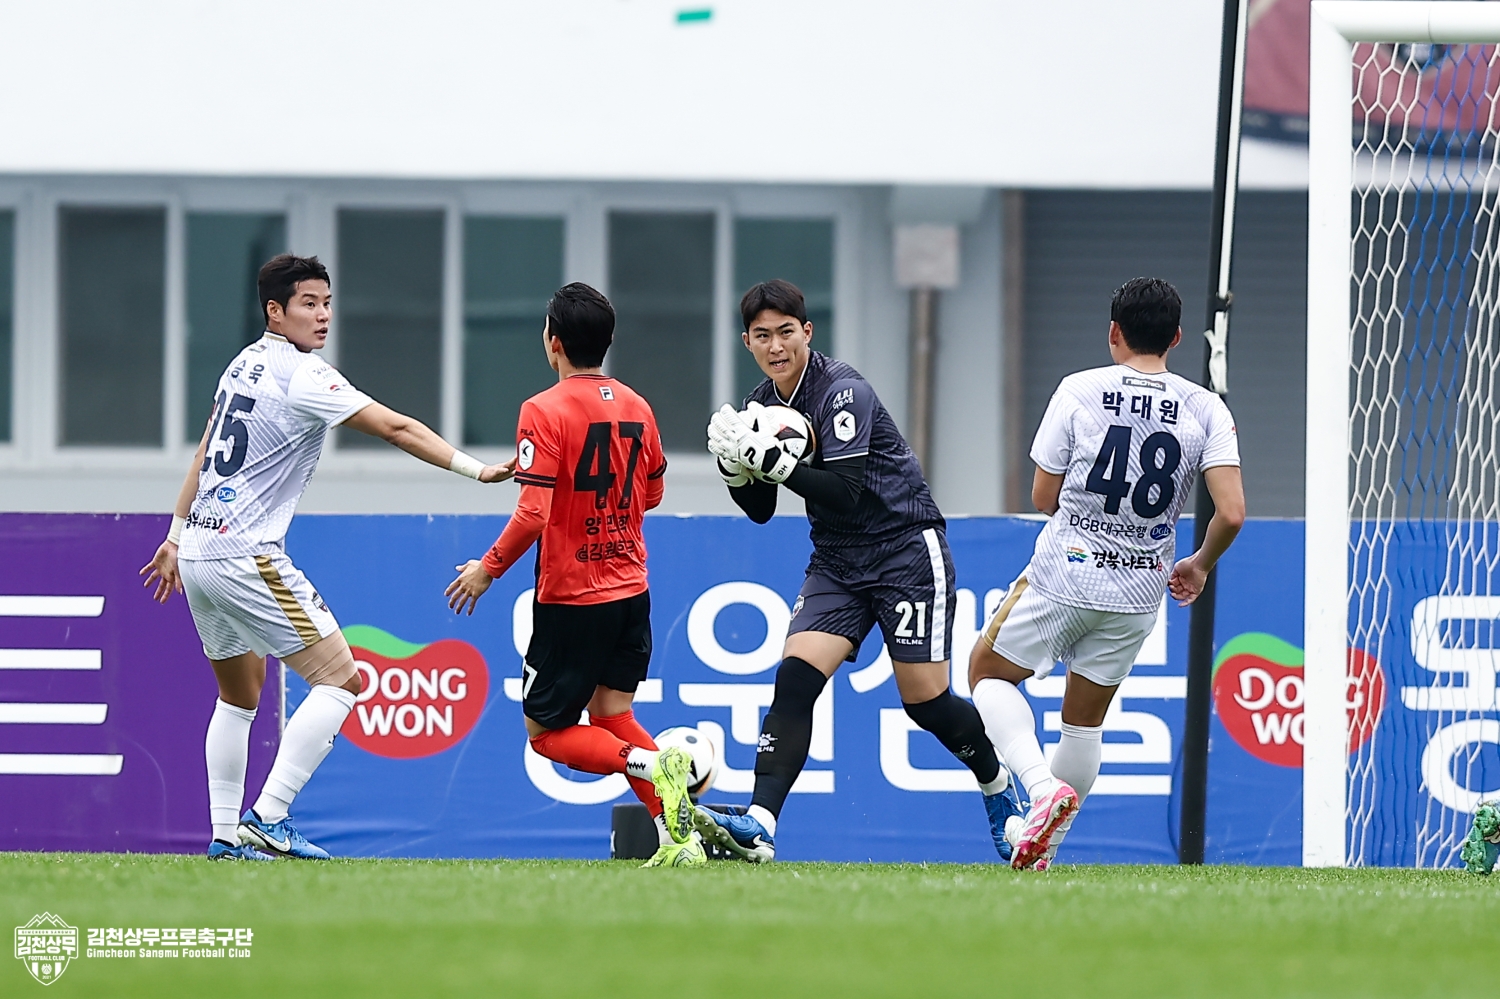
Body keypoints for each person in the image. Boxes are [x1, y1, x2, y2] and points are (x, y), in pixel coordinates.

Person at [140, 254, 513, 861]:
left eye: (327, 303)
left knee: (239, 695)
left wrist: (176, 535)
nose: (322, 316)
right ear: (275, 310)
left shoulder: (242, 363)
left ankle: (224, 837)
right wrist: (478, 470)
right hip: (245, 553)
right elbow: (396, 428)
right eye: (308, 304)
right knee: (343, 680)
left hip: (201, 552)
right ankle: (269, 816)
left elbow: (205, 451)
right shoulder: (303, 374)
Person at [698, 278, 1022, 863]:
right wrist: (735, 470)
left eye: (786, 333)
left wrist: (773, 462)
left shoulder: (844, 392)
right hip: (838, 559)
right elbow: (762, 510)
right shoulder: (759, 405)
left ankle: (997, 782)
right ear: (747, 341)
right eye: (763, 336)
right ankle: (760, 823)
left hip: (904, 548)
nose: (776, 346)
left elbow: (845, 490)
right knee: (794, 680)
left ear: (807, 332)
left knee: (925, 703)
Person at [969, 276, 1245, 870]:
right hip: (1140, 587)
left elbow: (1044, 497)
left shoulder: (1079, 389)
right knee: (1084, 723)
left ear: (1114, 332)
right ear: (1176, 337)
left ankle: (1040, 790)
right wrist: (1198, 564)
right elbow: (1231, 512)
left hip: (1064, 574)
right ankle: (1045, 850)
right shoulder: (1206, 407)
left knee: (986, 672)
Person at [444, 282, 702, 868]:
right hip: (631, 588)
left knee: (546, 733)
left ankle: (648, 763)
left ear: (553, 342)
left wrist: (487, 569)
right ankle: (679, 840)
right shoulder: (637, 405)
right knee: (613, 714)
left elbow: (533, 514)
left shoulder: (543, 410)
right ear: (606, 342)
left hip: (573, 597)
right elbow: (652, 494)